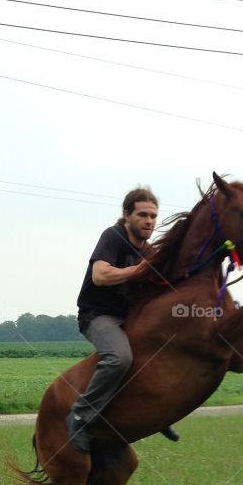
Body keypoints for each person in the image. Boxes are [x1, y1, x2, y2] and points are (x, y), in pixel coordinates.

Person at [67, 187, 180, 454]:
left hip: (130, 319)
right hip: (97, 316)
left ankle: (159, 414)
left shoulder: (150, 251)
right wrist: (139, 269)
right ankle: (80, 417)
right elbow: (100, 276)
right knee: (120, 358)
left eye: (153, 216)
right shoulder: (114, 236)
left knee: (164, 355)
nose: (149, 221)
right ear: (126, 215)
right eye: (142, 214)